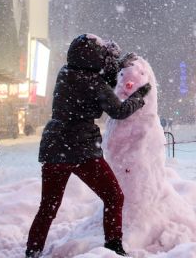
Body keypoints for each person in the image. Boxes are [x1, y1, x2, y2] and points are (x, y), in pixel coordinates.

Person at [25, 34, 150, 258]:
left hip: (54, 146)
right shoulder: (94, 83)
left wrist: (112, 69)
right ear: (94, 58)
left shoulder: (65, 73)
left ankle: (32, 251)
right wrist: (139, 97)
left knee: (48, 206)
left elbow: (94, 84)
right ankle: (114, 246)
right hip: (81, 148)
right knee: (113, 196)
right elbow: (118, 110)